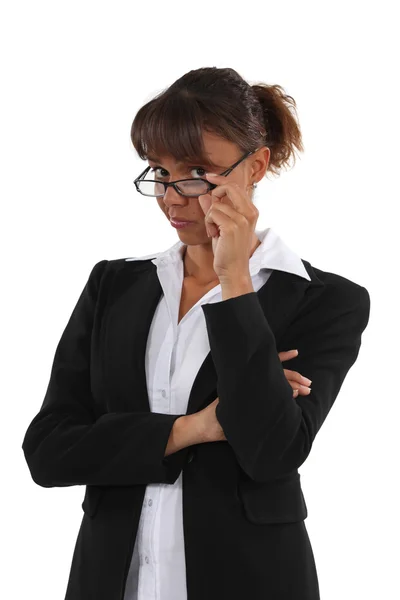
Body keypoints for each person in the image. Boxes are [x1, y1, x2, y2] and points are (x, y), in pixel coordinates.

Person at [21, 66, 371, 600]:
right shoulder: (115, 285)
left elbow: (273, 450)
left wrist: (235, 281)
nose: (172, 196)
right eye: (157, 171)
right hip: (112, 581)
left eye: (195, 172)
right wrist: (191, 428)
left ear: (254, 166)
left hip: (252, 581)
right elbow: (48, 451)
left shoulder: (325, 301)